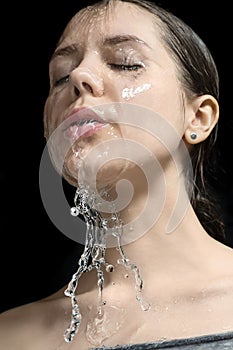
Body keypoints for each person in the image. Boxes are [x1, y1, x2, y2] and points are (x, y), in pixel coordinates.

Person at [0, 0, 232, 349]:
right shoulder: (11, 335)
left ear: (198, 117)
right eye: (60, 77)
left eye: (125, 63)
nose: (79, 77)